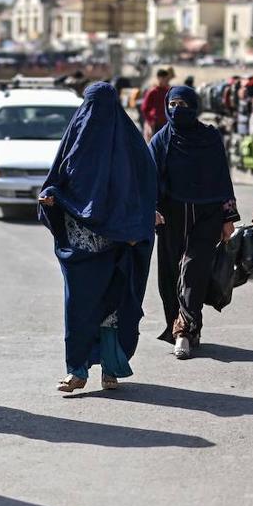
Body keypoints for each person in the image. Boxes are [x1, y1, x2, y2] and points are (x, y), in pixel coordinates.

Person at [38, 82, 156, 392]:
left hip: (119, 246)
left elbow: (144, 191)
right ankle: (77, 371)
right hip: (80, 249)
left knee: (113, 310)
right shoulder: (76, 138)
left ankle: (110, 370)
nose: (96, 115)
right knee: (79, 309)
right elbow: (57, 181)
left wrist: (141, 223)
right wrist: (51, 196)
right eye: (91, 106)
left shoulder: (132, 148)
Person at [149, 85, 238, 359]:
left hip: (207, 214)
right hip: (170, 216)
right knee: (170, 276)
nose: (177, 110)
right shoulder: (161, 140)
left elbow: (222, 177)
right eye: (173, 104)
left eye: (183, 104)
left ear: (194, 107)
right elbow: (149, 179)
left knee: (193, 269)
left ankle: (183, 331)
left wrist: (228, 216)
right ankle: (183, 324)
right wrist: (150, 209)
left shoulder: (209, 138)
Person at [139, 68, 173, 142]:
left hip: (167, 122)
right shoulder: (152, 91)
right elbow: (144, 108)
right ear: (158, 78)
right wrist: (150, 120)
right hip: (155, 124)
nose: (166, 80)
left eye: (167, 78)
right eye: (164, 78)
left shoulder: (168, 91)